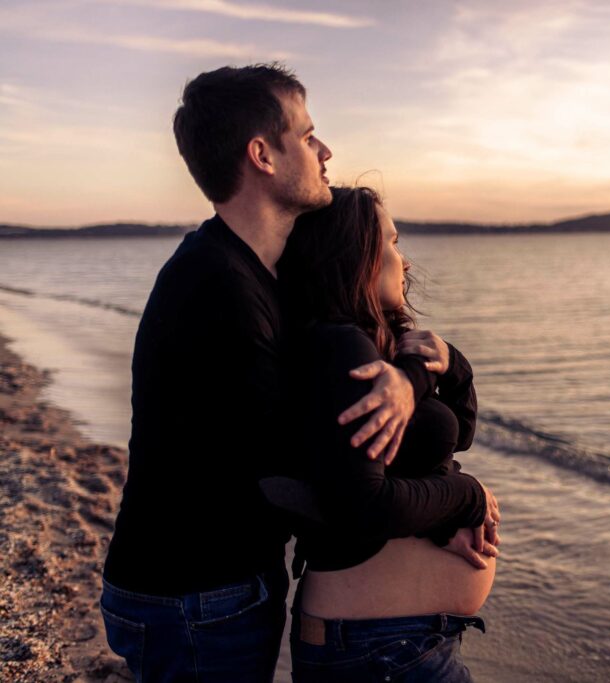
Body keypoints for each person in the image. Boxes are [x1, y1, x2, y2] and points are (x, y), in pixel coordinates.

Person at [101, 64, 431, 682]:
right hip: (193, 597)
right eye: (307, 136)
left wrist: (416, 372)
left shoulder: (251, 272)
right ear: (262, 155)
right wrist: (455, 507)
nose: (325, 151)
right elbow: (289, 473)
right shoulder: (217, 285)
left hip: (206, 589)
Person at [269, 185, 500, 682]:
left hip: (390, 642)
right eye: (393, 242)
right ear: (356, 254)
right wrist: (467, 496)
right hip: (378, 646)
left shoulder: (369, 346)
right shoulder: (341, 350)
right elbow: (363, 506)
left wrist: (453, 365)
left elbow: (456, 437)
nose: (405, 261)